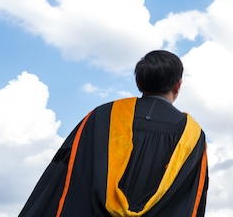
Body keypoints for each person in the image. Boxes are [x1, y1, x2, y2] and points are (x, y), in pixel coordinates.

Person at [20, 50, 208, 217]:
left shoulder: (101, 117)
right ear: (178, 85)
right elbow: (189, 198)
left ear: (138, 82)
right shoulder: (192, 136)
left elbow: (65, 174)